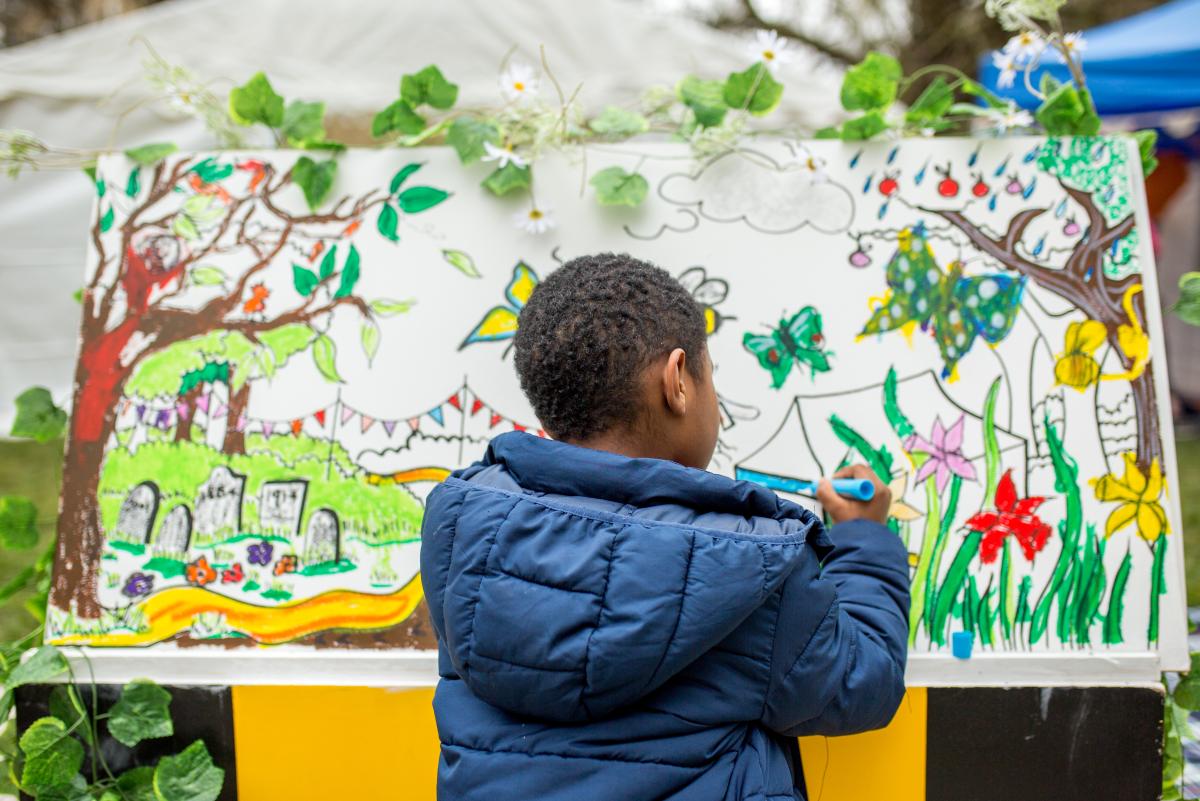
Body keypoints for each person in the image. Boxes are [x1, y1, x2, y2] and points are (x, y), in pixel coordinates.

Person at [420, 253, 911, 801]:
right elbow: (865, 681)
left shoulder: (464, 533)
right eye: (711, 376)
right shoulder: (751, 566)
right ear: (678, 380)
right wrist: (865, 537)